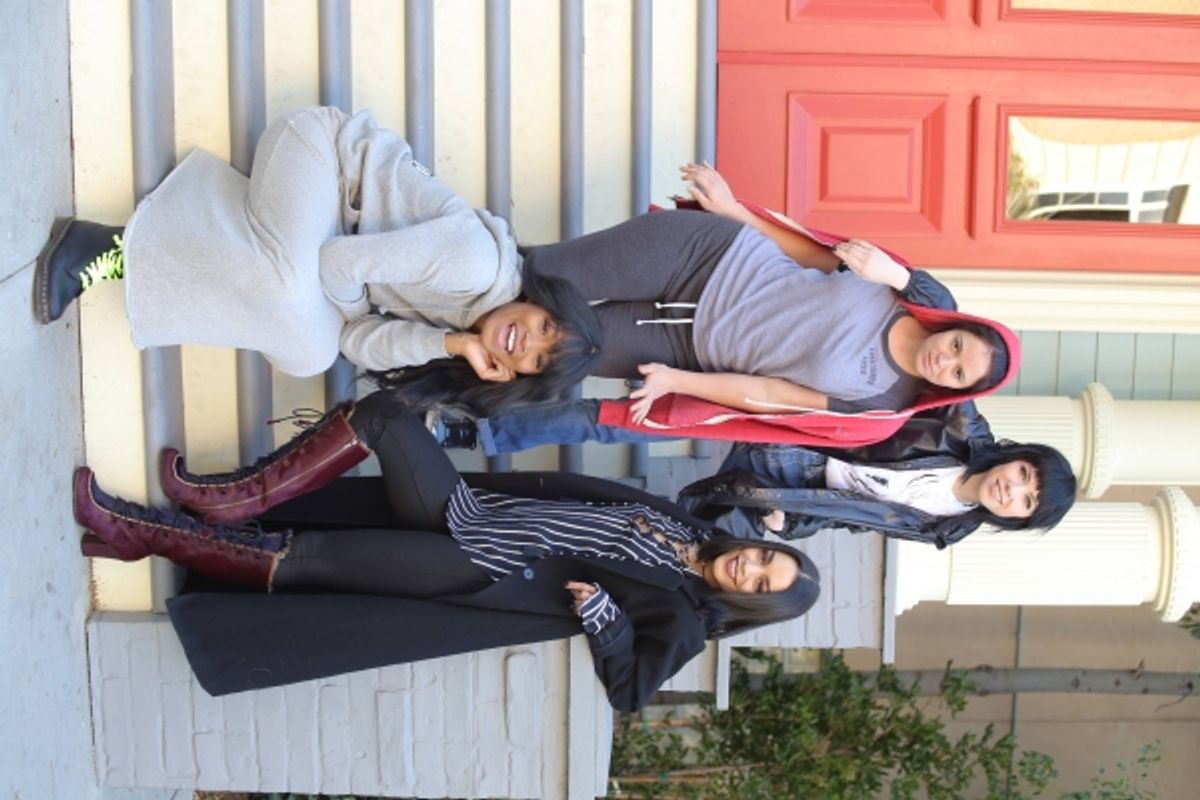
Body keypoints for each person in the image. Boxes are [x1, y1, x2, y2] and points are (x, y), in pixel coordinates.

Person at [72, 393, 820, 709]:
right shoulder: (689, 528)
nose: (750, 569)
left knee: (308, 555)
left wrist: (605, 619)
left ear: (753, 602)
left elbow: (631, 691)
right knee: (386, 415)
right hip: (469, 510)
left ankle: (135, 530)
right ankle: (226, 497)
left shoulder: (687, 619)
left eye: (762, 582)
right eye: (763, 558)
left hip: (480, 569)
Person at [33, 106, 601, 415]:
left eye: (536, 360)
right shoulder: (477, 265)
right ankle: (105, 249)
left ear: (516, 377)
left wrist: (454, 345)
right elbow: (334, 267)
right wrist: (344, 306)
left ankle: (175, 234)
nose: (525, 344)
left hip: (328, 234)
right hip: (320, 158)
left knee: (309, 352)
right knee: (286, 282)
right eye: (544, 327)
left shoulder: (468, 329)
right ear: (538, 300)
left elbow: (354, 341)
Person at [429, 162, 1021, 451]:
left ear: (955, 389)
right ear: (957, 327)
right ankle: (418, 273)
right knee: (540, 275)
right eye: (960, 347)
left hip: (681, 344)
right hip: (708, 255)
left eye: (960, 373)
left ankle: (419, 352)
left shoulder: (880, 406)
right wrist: (733, 209)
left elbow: (766, 396)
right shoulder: (890, 288)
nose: (949, 361)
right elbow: (808, 253)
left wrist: (676, 379)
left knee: (544, 350)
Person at [676, 402, 1077, 549]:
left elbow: (858, 518)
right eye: (1024, 473)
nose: (1012, 489)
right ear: (1015, 457)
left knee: (704, 537)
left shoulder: (947, 528)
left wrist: (792, 523)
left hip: (791, 488)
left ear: (1016, 520)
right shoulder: (963, 426)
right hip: (802, 433)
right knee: (679, 417)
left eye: (1027, 501)